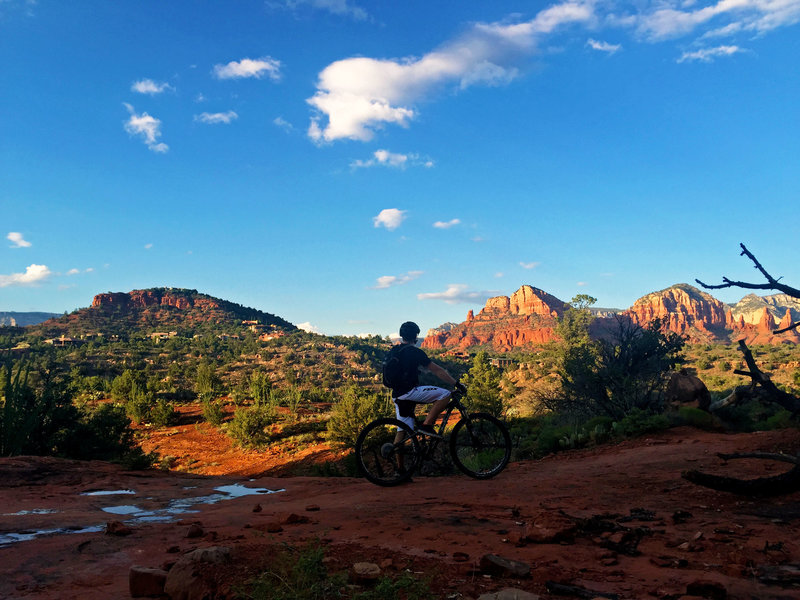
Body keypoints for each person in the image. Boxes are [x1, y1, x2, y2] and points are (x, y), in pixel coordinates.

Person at [389, 321, 466, 438]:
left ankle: (395, 454)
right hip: (410, 392)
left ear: (402, 335)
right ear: (415, 336)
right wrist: (456, 383)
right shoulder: (415, 352)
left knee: (403, 430)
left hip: (397, 395)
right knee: (445, 394)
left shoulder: (395, 350)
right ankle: (427, 425)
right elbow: (437, 370)